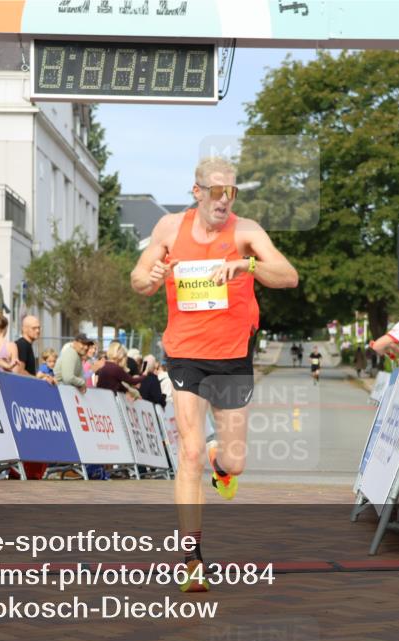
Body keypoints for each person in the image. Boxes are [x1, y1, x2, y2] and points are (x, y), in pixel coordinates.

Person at [130, 155, 298, 592]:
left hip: (232, 353)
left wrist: (249, 266)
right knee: (186, 453)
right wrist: (150, 274)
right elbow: (139, 281)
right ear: (197, 191)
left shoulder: (246, 232)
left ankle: (217, 461)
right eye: (217, 191)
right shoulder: (170, 229)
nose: (224, 200)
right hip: (185, 352)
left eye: (232, 192)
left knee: (235, 461)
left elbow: (289, 277)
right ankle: (191, 560)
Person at [15, 315, 56, 384]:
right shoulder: (22, 344)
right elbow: (20, 371)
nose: (38, 331)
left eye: (39, 328)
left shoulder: (27, 345)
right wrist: (38, 379)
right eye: (34, 328)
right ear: (24, 329)